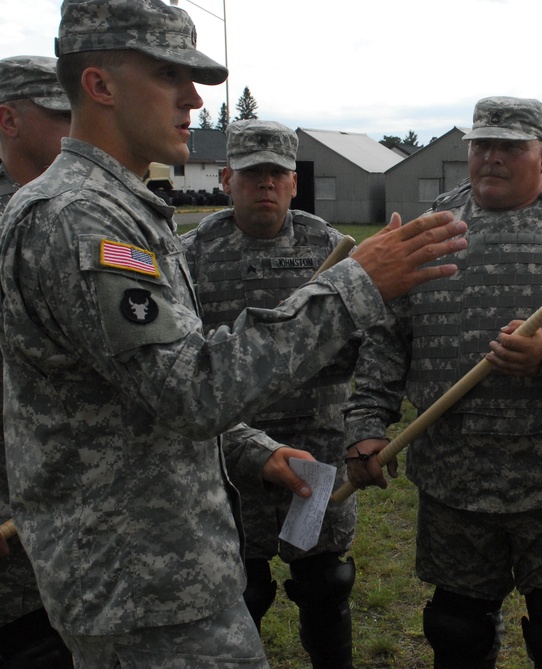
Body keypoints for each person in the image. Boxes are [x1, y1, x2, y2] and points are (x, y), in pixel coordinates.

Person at [0, 1, 467, 666]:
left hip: (165, 573)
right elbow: (192, 389)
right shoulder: (78, 219)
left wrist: (253, 450)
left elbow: (146, 388)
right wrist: (356, 284)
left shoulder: (117, 209)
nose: (194, 98)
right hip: (143, 590)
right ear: (101, 85)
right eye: (170, 75)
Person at [344, 95, 542, 669]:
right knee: (455, 630)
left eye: (510, 148)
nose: (491, 157)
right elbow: (387, 336)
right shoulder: (434, 229)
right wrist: (367, 424)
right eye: (480, 145)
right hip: (454, 483)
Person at [181, 119, 360, 668]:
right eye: (252, 173)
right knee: (241, 586)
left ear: (293, 183)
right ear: (227, 178)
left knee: (324, 582)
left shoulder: (328, 246)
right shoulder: (191, 253)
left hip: (314, 446)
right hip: (226, 454)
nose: (265, 185)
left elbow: (368, 340)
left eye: (276, 174)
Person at [0, 54, 74, 669]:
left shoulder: (78, 212)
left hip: (68, 493)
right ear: (8, 120)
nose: (73, 132)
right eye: (58, 118)